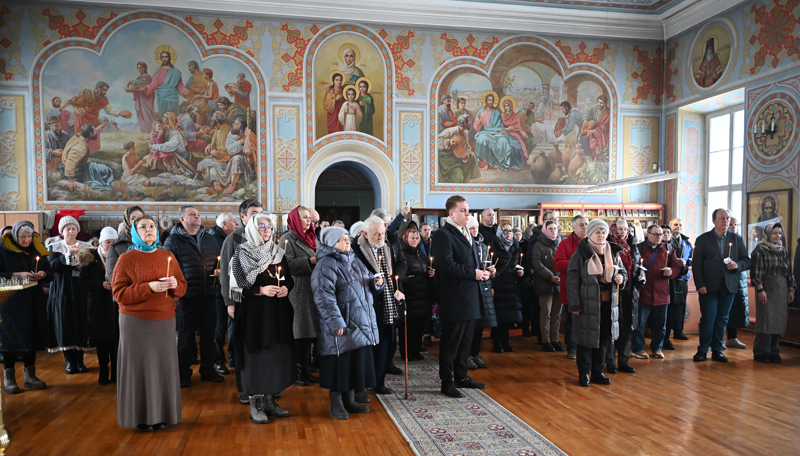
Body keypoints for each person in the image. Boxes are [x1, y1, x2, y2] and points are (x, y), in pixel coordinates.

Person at [112, 214, 187, 432]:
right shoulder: (126, 259)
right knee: (140, 369)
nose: (149, 230)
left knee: (163, 368)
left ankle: (162, 415)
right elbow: (119, 293)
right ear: (135, 232)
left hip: (164, 320)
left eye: (152, 226)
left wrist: (174, 285)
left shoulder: (167, 256)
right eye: (143, 227)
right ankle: (141, 416)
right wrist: (149, 288)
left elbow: (182, 287)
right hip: (135, 322)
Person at [312, 226, 380, 420]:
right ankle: (336, 404)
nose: (348, 242)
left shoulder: (353, 259)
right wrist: (336, 322)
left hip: (358, 320)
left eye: (348, 238)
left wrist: (376, 283)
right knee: (339, 365)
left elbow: (366, 280)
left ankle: (349, 400)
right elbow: (323, 296)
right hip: (342, 322)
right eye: (343, 239)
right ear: (332, 243)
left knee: (353, 363)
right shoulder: (325, 264)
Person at [232, 214, 294, 423]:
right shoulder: (242, 253)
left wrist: (286, 289)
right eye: (262, 226)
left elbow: (289, 279)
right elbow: (237, 287)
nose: (267, 230)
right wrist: (260, 290)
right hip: (254, 315)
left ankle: (269, 399)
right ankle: (255, 403)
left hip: (276, 312)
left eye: (269, 227)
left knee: (274, 354)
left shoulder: (277, 252)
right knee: (256, 356)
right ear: (252, 229)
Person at [431, 195, 490, 398]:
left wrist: (483, 272)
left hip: (470, 295)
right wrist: (474, 273)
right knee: (451, 342)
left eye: (468, 210)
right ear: (451, 213)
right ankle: (447, 382)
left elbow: (471, 261)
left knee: (466, 341)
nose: (467, 214)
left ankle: (461, 376)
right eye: (463, 210)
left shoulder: (466, 232)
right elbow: (446, 265)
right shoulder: (443, 235)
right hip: (455, 297)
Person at [163, 206, 223, 387]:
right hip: (185, 297)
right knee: (186, 337)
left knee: (209, 336)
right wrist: (174, 294)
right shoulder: (173, 240)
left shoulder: (210, 239)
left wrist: (218, 271)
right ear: (182, 219)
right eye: (192, 214)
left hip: (208, 294)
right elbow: (168, 269)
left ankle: (208, 369)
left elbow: (218, 261)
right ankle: (183, 373)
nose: (197, 217)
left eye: (198, 214)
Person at [567, 220, 627, 387]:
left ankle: (598, 373)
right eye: (597, 232)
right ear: (590, 234)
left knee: (604, 339)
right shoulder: (581, 254)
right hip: (587, 305)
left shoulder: (612, 252)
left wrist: (621, 278)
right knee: (586, 341)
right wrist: (575, 304)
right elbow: (572, 281)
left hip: (608, 304)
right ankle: (584, 374)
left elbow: (622, 271)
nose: (601, 235)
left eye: (603, 232)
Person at [352, 216, 406, 396]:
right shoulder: (355, 250)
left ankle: (379, 381)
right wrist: (372, 282)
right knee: (367, 347)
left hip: (386, 303)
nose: (381, 237)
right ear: (365, 234)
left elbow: (393, 274)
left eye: (383, 233)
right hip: (367, 304)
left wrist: (397, 291)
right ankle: (362, 384)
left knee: (384, 345)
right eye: (376, 234)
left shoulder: (386, 248)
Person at [692, 208, 751, 363]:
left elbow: (746, 260)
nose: (726, 221)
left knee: (723, 319)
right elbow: (696, 265)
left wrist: (737, 265)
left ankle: (717, 350)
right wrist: (700, 284)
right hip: (708, 286)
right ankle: (703, 350)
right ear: (714, 220)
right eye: (722, 218)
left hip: (729, 286)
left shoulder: (737, 238)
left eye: (727, 218)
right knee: (708, 318)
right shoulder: (703, 239)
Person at [221, 199, 263, 403]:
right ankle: (244, 388)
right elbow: (226, 274)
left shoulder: (263, 237)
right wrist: (230, 302)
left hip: (260, 301)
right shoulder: (234, 239)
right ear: (243, 217)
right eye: (254, 213)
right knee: (243, 345)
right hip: (240, 300)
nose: (258, 217)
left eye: (261, 213)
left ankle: (263, 387)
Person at [0, 221, 50, 394]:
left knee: (31, 338)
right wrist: (17, 274)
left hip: (33, 301)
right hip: (10, 303)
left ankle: (30, 376)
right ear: (15, 236)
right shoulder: (3, 250)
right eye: (23, 237)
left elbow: (49, 271)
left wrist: (43, 274)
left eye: (29, 236)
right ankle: (9, 378)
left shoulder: (37, 248)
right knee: (10, 340)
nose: (27, 240)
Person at [280, 206, 320, 387]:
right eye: (305, 217)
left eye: (310, 218)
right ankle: (296, 372)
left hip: (312, 291)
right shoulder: (287, 239)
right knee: (299, 333)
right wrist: (310, 261)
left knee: (308, 333)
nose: (309, 221)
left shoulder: (312, 238)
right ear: (295, 219)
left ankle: (305, 369)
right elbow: (285, 264)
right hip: (297, 292)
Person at [47, 216, 93, 374]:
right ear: (62, 231)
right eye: (68, 229)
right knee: (64, 322)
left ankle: (80, 360)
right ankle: (69, 361)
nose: (71, 232)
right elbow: (51, 267)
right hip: (62, 290)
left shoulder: (86, 246)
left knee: (80, 322)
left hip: (80, 290)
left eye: (73, 229)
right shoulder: (55, 247)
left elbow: (92, 267)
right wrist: (65, 257)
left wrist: (82, 266)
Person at [631, 225, 681, 360]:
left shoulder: (668, 248)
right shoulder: (639, 248)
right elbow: (632, 267)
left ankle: (657, 348)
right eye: (656, 234)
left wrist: (671, 272)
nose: (659, 237)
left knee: (660, 324)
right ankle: (638, 348)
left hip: (662, 293)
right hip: (644, 292)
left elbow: (676, 266)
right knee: (639, 324)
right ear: (648, 234)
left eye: (661, 234)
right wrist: (637, 277)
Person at [79, 227, 119, 385]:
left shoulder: (120, 256)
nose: (110, 245)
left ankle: (116, 373)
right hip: (97, 306)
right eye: (108, 242)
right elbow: (83, 281)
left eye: (113, 242)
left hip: (115, 305)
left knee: (116, 341)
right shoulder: (91, 258)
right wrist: (100, 284)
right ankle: (103, 372)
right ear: (101, 242)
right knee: (102, 342)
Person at [750, 223, 796, 363]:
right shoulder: (760, 250)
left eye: (780, 233)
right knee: (766, 321)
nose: (778, 236)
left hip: (781, 289)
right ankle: (761, 352)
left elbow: (789, 272)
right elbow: (756, 272)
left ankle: (774, 351)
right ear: (768, 234)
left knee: (778, 321)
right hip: (767, 288)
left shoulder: (783, 251)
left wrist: (791, 289)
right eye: (775, 233)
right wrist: (760, 290)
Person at [605, 219, 642, 374]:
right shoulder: (608, 245)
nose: (623, 232)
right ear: (613, 229)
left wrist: (640, 276)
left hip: (629, 292)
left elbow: (637, 265)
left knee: (627, 327)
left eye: (625, 229)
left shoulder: (632, 245)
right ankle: (610, 362)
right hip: (613, 292)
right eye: (619, 229)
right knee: (612, 327)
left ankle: (624, 360)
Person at [396, 228, 435, 361]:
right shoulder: (402, 253)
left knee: (419, 326)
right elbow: (400, 275)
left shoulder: (421, 254)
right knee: (408, 327)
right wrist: (410, 279)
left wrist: (430, 273)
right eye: (412, 238)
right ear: (406, 239)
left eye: (417, 238)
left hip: (422, 295)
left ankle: (416, 350)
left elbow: (425, 271)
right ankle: (406, 352)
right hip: (410, 294)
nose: (415, 240)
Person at [554, 215, 588, 359]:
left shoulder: (594, 242)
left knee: (588, 319)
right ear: (573, 227)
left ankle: (586, 346)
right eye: (581, 224)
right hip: (571, 288)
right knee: (572, 319)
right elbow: (558, 263)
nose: (585, 227)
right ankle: (572, 347)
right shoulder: (565, 244)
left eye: (586, 224)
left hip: (589, 288)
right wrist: (578, 264)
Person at [465, 216, 496, 370]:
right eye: (471, 228)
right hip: (471, 288)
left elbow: (486, 264)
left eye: (476, 228)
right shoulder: (465, 245)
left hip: (484, 287)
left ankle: (476, 353)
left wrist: (491, 271)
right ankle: (467, 355)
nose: (475, 231)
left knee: (480, 326)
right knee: (470, 326)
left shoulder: (483, 245)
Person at [210, 213, 238, 376]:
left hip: (234, 288)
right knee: (219, 327)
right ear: (225, 224)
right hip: (218, 290)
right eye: (234, 221)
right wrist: (213, 269)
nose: (237, 223)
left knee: (233, 325)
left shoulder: (237, 237)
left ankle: (233, 356)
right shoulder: (212, 239)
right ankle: (218, 360)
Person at [71, 81, 132, 153]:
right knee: (82, 133)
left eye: (106, 91)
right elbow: (77, 102)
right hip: (82, 116)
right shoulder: (86, 92)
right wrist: (81, 109)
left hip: (93, 118)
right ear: (98, 88)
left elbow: (109, 109)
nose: (105, 92)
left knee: (94, 133)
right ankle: (80, 151)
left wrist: (121, 113)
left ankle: (93, 152)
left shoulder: (104, 99)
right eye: (104, 90)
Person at [490, 221, 523, 353]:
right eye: (505, 230)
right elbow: (490, 266)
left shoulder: (515, 245)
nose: (508, 233)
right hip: (498, 285)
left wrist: (520, 271)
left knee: (508, 317)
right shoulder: (493, 246)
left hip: (511, 285)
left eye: (510, 230)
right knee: (498, 316)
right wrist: (491, 286)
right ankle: (497, 342)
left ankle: (506, 342)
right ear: (500, 232)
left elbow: (518, 264)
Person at [473, 92, 526, 171]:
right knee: (483, 139)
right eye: (489, 100)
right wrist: (479, 122)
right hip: (484, 132)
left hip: (496, 132)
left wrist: (502, 131)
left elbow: (500, 126)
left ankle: (498, 165)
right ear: (486, 101)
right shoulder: (481, 112)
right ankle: (485, 163)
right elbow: (476, 127)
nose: (491, 102)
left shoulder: (497, 112)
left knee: (503, 140)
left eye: (492, 100)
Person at [531, 220, 562, 352]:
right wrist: (551, 277)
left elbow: (564, 261)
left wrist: (560, 276)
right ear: (545, 230)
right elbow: (537, 264)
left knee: (557, 314)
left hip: (559, 283)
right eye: (550, 229)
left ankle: (555, 339)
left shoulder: (560, 244)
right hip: (545, 284)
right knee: (546, 313)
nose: (553, 231)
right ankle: (546, 340)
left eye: (555, 228)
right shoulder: (538, 245)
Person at [61, 124, 115, 192]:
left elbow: (84, 132)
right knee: (104, 184)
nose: (96, 133)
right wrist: (71, 180)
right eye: (94, 131)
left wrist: (95, 129)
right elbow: (70, 162)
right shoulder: (80, 147)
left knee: (106, 170)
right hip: (77, 171)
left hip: (81, 166)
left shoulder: (78, 136)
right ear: (90, 134)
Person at [723, 217, 750, 350]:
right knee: (724, 311)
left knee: (735, 310)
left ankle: (732, 337)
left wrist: (738, 265)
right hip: (725, 279)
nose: (734, 227)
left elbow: (746, 260)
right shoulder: (722, 241)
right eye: (731, 225)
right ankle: (718, 339)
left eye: (736, 224)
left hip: (739, 279)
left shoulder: (739, 240)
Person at [135, 50, 190, 117]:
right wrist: (146, 87)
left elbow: (180, 85)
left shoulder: (175, 72)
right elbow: (153, 84)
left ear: (169, 58)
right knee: (164, 118)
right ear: (161, 58)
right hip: (162, 99)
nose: (164, 59)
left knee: (174, 117)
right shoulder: (158, 72)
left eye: (166, 57)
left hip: (173, 98)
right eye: (163, 57)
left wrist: (184, 91)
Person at [665, 219, 692, 346]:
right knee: (670, 307)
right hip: (670, 279)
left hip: (683, 278)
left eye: (680, 225)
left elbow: (690, 257)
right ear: (671, 227)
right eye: (675, 225)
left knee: (681, 305)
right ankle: (666, 334)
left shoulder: (686, 242)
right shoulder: (667, 242)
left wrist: (687, 263)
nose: (678, 227)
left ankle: (678, 330)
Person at [437, 114, 481, 184]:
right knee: (458, 176)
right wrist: (449, 142)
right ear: (465, 124)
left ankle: (469, 178)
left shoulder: (465, 132)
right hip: (448, 159)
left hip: (459, 156)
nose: (470, 123)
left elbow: (467, 145)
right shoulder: (450, 131)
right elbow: (436, 140)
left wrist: (466, 153)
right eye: (469, 121)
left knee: (471, 155)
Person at [106, 206, 145, 280]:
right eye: (133, 218)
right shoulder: (116, 246)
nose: (137, 221)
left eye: (140, 218)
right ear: (127, 221)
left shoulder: (153, 242)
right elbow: (113, 276)